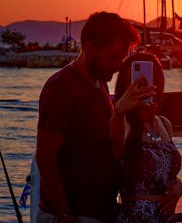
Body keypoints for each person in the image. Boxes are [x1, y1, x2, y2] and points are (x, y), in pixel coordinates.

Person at [36, 12, 142, 223]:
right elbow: (45, 157)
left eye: (122, 58)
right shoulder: (62, 87)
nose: (118, 65)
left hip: (99, 212)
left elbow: (111, 146)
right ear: (90, 48)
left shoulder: (99, 83)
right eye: (112, 58)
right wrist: (65, 215)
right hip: (73, 215)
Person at [110, 52, 182, 223]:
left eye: (148, 79)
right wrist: (119, 110)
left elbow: (165, 173)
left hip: (165, 218)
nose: (139, 86)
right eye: (133, 82)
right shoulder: (122, 122)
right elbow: (116, 147)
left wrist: (178, 185)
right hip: (136, 217)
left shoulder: (165, 124)